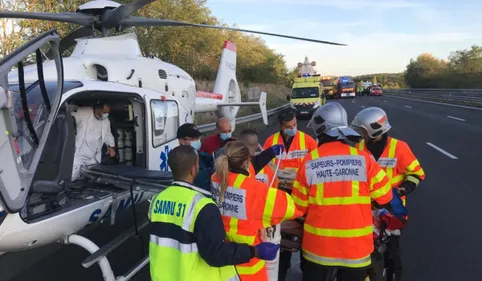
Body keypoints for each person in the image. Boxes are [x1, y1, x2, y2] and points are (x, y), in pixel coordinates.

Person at [292, 102, 393, 281]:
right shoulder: (364, 159)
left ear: (319, 130)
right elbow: (385, 196)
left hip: (318, 249)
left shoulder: (309, 162)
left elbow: (298, 207)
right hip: (356, 250)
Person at [148, 145, 280, 281]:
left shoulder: (156, 200)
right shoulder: (202, 206)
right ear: (194, 169)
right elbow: (215, 253)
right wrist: (254, 251)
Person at [350, 107, 425, 281]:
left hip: (391, 210)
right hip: (365, 210)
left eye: (363, 130)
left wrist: (405, 188)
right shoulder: (358, 147)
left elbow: (417, 173)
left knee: (393, 253)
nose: (361, 133)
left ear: (373, 129)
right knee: (366, 252)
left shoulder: (399, 148)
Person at [211, 141, 303, 281]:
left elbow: (246, 170)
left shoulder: (215, 178)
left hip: (222, 260)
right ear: (247, 162)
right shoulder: (255, 190)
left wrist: (269, 154)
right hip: (248, 263)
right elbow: (290, 208)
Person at [262, 107, 317, 280]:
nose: (292, 128)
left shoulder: (308, 142)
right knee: (283, 240)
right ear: (281, 126)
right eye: (288, 126)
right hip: (280, 197)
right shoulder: (271, 142)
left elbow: (317, 165)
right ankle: (280, 272)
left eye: (294, 124)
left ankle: (306, 270)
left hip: (302, 197)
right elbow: (264, 168)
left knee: (306, 238)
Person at [71, 100, 116, 181]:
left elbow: (107, 134)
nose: (105, 114)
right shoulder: (83, 113)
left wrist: (111, 146)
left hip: (93, 156)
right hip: (78, 155)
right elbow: (70, 119)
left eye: (107, 112)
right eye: (104, 112)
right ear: (97, 108)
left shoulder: (105, 120)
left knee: (92, 178)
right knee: (71, 177)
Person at [177, 123, 214, 193]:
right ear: (182, 141)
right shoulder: (178, 160)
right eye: (193, 139)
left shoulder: (203, 157)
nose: (197, 141)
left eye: (198, 138)